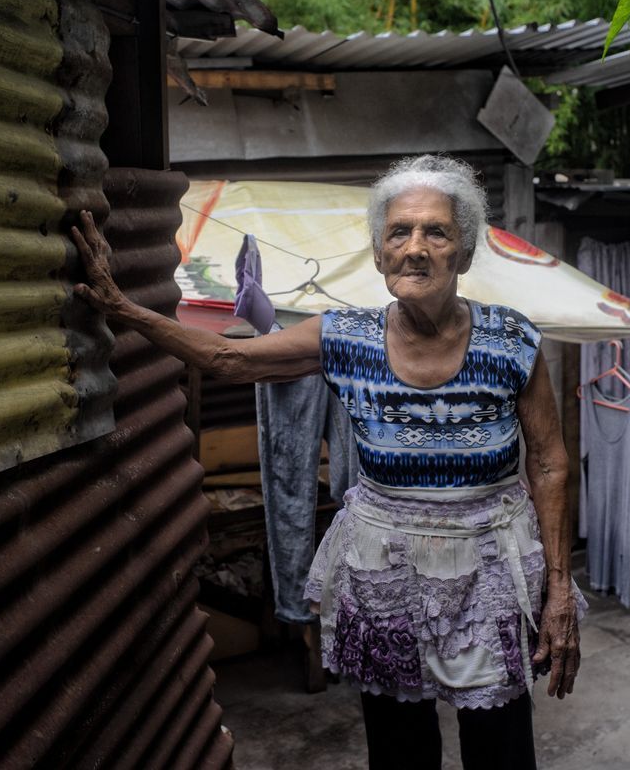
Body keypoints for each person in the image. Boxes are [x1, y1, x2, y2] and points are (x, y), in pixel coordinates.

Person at [72, 155, 583, 770]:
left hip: (491, 567)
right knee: (399, 745)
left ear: (464, 253)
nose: (415, 248)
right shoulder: (346, 336)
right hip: (385, 567)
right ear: (379, 252)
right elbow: (228, 361)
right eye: (399, 232)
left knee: (500, 744)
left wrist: (558, 588)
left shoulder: (512, 339)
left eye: (436, 232)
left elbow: (550, 463)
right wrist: (121, 308)